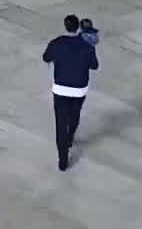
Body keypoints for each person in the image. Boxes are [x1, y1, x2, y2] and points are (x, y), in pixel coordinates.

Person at [43, 14, 99, 171]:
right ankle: (70, 138)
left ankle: (63, 159)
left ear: (65, 26)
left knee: (60, 122)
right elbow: (94, 65)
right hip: (79, 88)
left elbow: (46, 57)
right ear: (78, 27)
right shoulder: (87, 44)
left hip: (60, 88)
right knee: (74, 115)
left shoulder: (57, 43)